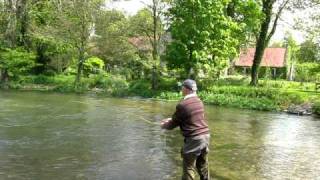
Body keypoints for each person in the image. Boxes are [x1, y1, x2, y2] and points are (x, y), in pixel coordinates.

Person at [161, 79, 210, 180]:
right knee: (202, 166)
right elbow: (190, 118)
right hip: (205, 136)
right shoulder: (199, 101)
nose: (181, 89)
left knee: (188, 168)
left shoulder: (183, 105)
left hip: (194, 139)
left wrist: (164, 125)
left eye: (182, 87)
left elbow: (172, 124)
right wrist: (172, 119)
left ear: (186, 89)